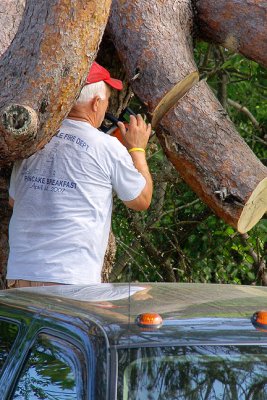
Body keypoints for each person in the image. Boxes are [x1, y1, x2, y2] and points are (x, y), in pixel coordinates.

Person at [6, 61, 152, 288]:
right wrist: (137, 149)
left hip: (20, 275)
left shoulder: (33, 141)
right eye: (107, 101)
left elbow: (15, 200)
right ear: (96, 103)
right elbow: (141, 200)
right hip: (71, 280)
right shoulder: (106, 147)